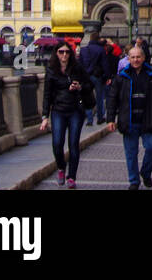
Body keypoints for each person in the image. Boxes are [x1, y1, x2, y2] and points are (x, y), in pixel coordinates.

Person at [107, 44, 152, 189]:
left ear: (144, 58)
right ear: (128, 59)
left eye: (138, 57)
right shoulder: (121, 77)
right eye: (133, 57)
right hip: (128, 120)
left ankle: (146, 172)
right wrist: (110, 119)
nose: (136, 60)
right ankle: (134, 181)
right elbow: (112, 98)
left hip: (148, 119)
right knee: (131, 153)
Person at [40, 41, 93, 188]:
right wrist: (45, 116)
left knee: (73, 144)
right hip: (58, 110)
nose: (64, 55)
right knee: (57, 143)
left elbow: (90, 84)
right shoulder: (51, 70)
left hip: (76, 109)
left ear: (71, 54)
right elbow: (47, 94)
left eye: (67, 52)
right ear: (56, 54)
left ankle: (72, 177)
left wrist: (80, 87)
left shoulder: (77, 68)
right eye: (61, 52)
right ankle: (61, 167)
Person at [79, 32, 109, 126]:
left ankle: (89, 119)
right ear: (98, 39)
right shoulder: (101, 49)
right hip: (97, 76)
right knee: (99, 97)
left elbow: (80, 64)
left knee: (87, 97)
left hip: (85, 77)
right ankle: (100, 118)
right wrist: (107, 76)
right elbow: (105, 65)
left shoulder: (83, 50)